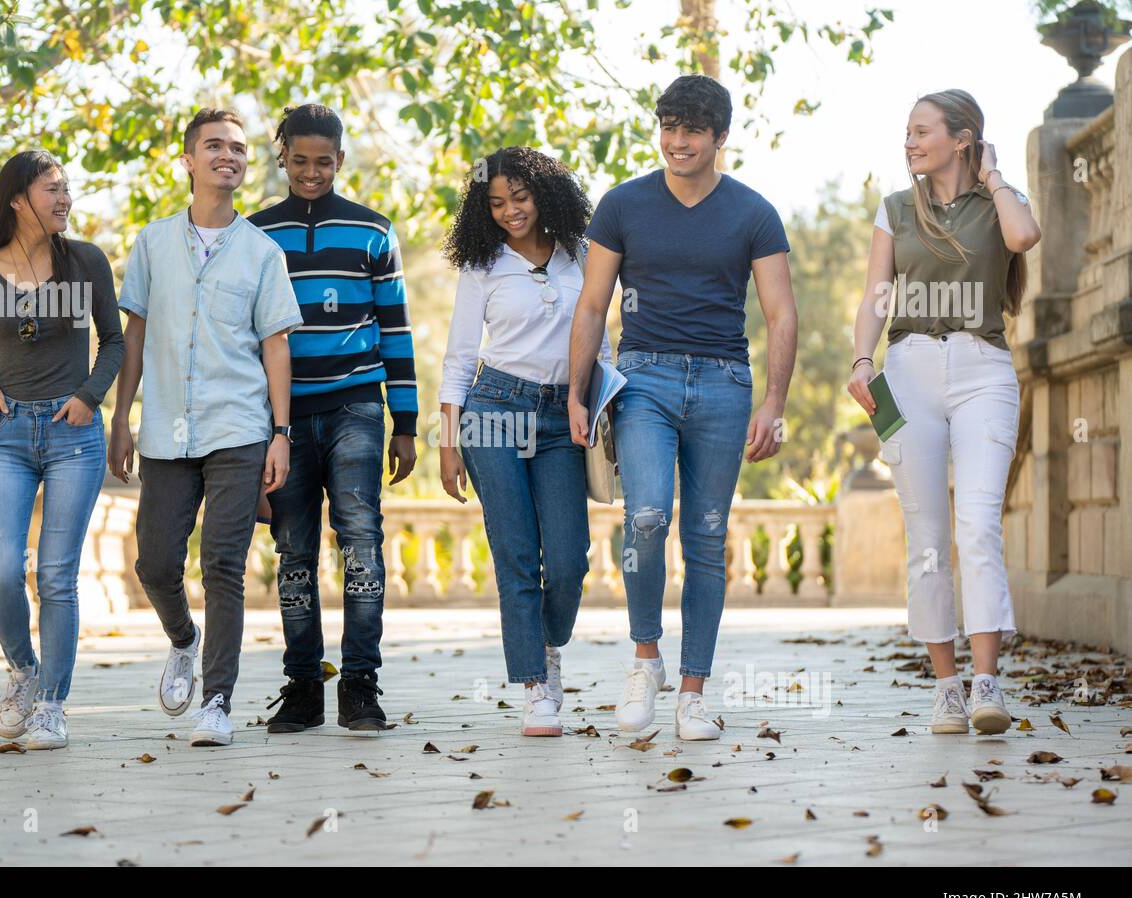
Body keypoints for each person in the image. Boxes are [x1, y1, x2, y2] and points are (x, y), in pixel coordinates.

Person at [568, 74, 798, 741]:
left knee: (704, 536)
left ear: (720, 138)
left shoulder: (754, 213)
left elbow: (782, 315)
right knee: (643, 519)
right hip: (643, 380)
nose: (677, 142)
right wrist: (576, 393)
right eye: (668, 127)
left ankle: (693, 693)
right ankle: (645, 659)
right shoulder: (622, 205)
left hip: (726, 385)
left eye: (692, 130)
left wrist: (775, 403)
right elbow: (591, 304)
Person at [848, 89, 1040, 735]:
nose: (909, 142)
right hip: (904, 375)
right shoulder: (896, 208)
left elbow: (1025, 237)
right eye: (906, 131)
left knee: (979, 525)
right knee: (928, 539)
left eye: (922, 131)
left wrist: (992, 175)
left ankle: (988, 683)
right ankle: (947, 688)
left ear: (962, 138)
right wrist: (860, 361)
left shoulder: (998, 203)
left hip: (983, 368)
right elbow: (877, 294)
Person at [109, 107, 302, 746]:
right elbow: (132, 336)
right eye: (214, 146)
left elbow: (277, 346)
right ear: (189, 161)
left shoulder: (262, 253)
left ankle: (216, 702)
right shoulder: (152, 243)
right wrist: (122, 417)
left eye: (239, 149)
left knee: (224, 563)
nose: (229, 156)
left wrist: (281, 432)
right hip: (166, 426)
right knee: (156, 563)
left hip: (240, 426)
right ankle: (182, 640)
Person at [247, 104, 418, 734]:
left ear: (341, 160)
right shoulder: (256, 234)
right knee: (292, 549)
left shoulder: (374, 232)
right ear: (282, 158)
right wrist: (260, 427)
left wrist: (406, 421)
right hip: (284, 419)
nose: (312, 172)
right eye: (300, 161)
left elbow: (396, 330)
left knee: (361, 543)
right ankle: (302, 685)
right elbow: (246, 337)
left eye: (324, 161)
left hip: (355, 408)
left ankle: (360, 683)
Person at [0, 149, 124, 750]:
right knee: (1, 573)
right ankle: (24, 673)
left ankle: (52, 704)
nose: (65, 198)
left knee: (55, 574)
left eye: (67, 188)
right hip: (7, 436)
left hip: (74, 435)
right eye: (53, 188)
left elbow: (116, 344)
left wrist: (89, 396)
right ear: (18, 198)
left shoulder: (86, 263)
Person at [440, 147, 608, 737]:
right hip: (493, 409)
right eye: (497, 203)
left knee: (567, 559)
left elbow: (602, 343)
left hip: (566, 415)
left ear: (545, 193)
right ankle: (536, 686)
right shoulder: (482, 265)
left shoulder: (584, 256)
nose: (511, 211)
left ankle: (546, 642)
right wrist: (446, 441)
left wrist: (598, 404)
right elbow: (460, 356)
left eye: (521, 197)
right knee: (516, 554)